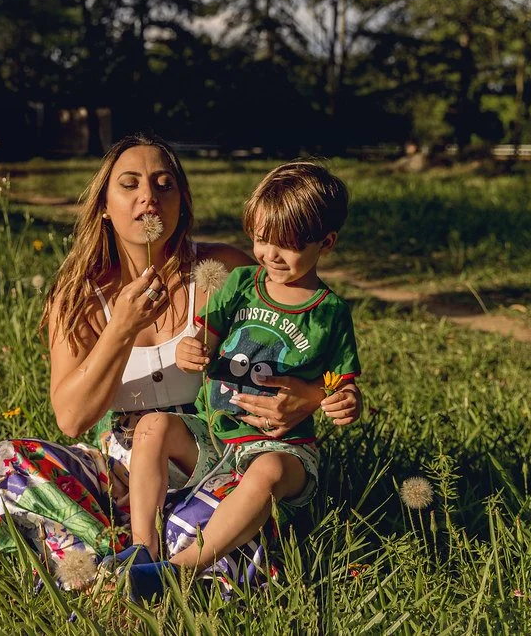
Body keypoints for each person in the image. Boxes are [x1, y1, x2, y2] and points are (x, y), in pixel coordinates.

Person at [0, 135, 362, 591]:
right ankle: (133, 559)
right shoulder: (77, 295)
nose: (149, 196)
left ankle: (125, 568)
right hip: (118, 475)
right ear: (105, 207)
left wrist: (310, 399)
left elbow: (296, 345)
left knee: (232, 521)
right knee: (3, 464)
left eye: (164, 185)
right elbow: (71, 419)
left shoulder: (225, 271)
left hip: (213, 460)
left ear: (182, 202)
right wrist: (121, 328)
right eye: (130, 184)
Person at [118, 161, 361, 600]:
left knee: (268, 472)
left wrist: (341, 401)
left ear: (326, 242)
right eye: (262, 239)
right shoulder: (243, 283)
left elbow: (340, 383)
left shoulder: (330, 313)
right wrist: (191, 350)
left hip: (282, 447)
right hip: (215, 435)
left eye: (289, 245)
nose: (271, 254)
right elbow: (204, 338)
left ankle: (177, 571)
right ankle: (142, 549)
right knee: (152, 426)